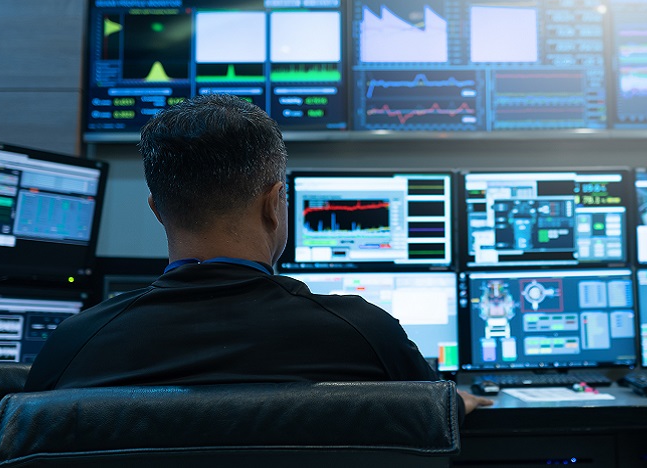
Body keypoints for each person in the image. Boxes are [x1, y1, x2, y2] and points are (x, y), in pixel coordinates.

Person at [24, 94, 492, 415]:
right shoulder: (366, 334)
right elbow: (431, 412)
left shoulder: (76, 345)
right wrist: (452, 400)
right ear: (273, 204)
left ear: (157, 211)